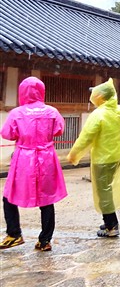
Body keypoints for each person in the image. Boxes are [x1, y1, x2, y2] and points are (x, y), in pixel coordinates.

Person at [0, 77, 67, 251]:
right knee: (47, 198)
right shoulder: (52, 112)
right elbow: (59, 130)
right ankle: (45, 240)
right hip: (46, 157)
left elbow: (7, 133)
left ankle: (14, 234)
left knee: (9, 195)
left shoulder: (17, 113)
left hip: (24, 157)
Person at [67, 78, 120, 238]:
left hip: (102, 160)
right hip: (116, 158)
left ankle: (111, 226)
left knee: (103, 191)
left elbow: (86, 137)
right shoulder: (119, 110)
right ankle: (108, 221)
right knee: (107, 189)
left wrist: (74, 154)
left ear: (101, 97)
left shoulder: (98, 115)